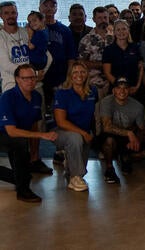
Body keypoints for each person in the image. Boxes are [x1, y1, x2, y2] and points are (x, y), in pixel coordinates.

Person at [0, 64, 57, 202]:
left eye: (33, 77)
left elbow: (33, 125)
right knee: (19, 142)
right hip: (5, 133)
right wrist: (42, 135)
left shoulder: (37, 97)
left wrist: (34, 155)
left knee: (22, 174)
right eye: (25, 78)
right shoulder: (7, 97)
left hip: (16, 136)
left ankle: (20, 179)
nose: (30, 81)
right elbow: (11, 132)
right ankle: (23, 191)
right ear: (17, 79)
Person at [53, 60, 98, 192]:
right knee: (75, 138)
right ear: (70, 75)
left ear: (87, 74)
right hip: (61, 132)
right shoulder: (62, 93)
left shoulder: (92, 91)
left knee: (80, 145)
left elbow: (95, 115)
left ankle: (72, 169)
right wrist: (84, 133)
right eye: (75, 72)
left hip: (83, 132)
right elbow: (61, 122)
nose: (79, 75)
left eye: (83, 72)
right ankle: (75, 178)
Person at [97, 77, 145, 185]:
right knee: (109, 141)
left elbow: (142, 129)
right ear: (113, 90)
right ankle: (109, 169)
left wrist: (137, 141)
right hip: (109, 136)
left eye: (125, 88)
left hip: (126, 139)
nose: (122, 91)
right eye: (119, 88)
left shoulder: (138, 106)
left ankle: (125, 157)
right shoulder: (106, 102)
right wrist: (129, 133)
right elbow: (106, 127)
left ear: (130, 90)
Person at [103, 19, 141, 97]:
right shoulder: (108, 50)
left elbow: (140, 68)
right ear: (114, 32)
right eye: (118, 30)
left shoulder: (135, 47)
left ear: (128, 30)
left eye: (124, 29)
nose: (121, 32)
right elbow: (107, 73)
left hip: (133, 89)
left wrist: (137, 86)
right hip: (116, 91)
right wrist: (121, 88)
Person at [1, 1, 32, 92]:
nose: (10, 16)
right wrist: (32, 74)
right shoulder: (1, 36)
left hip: (34, 83)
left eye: (13, 13)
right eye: (6, 13)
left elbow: (46, 55)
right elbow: (6, 65)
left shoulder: (27, 32)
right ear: (1, 15)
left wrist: (41, 73)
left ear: (17, 14)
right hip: (11, 85)